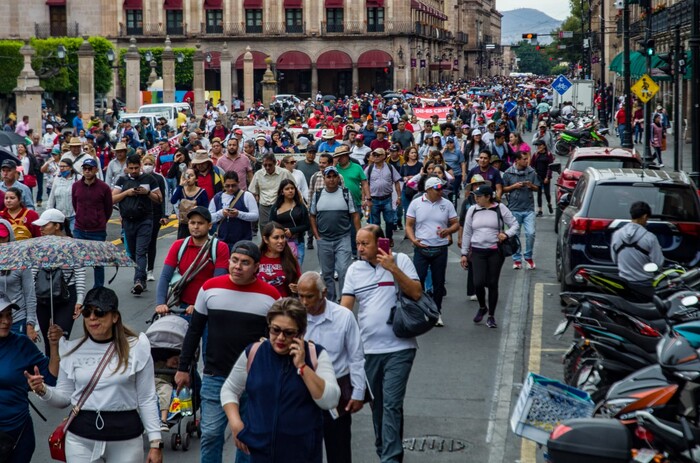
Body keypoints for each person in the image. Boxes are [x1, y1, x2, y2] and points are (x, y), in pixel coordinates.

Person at [27, 287, 163, 463]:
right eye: (87, 312)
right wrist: (42, 390)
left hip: (126, 438)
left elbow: (147, 398)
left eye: (99, 312)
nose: (92, 317)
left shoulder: (137, 348)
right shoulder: (71, 350)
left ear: (115, 317)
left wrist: (155, 442)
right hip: (81, 438)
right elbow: (63, 398)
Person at [175, 241, 280, 463]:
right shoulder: (210, 288)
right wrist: (183, 368)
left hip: (255, 379)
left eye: (245, 263)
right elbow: (194, 331)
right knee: (211, 435)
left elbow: (278, 338)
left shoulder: (271, 297)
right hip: (216, 376)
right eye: (234, 260)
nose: (237, 266)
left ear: (257, 268)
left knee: (247, 439)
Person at [221, 298, 341, 463]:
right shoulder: (254, 353)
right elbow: (229, 390)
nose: (280, 338)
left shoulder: (316, 355)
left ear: (301, 333)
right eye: (275, 330)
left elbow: (330, 400)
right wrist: (235, 423)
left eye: (289, 332)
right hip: (259, 453)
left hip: (302, 454)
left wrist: (302, 367)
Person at [341, 224, 422, 463]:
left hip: (400, 348)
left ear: (380, 243)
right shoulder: (354, 269)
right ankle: (385, 449)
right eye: (357, 243)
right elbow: (346, 309)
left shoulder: (401, 260)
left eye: (365, 243)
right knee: (378, 407)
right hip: (368, 351)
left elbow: (416, 293)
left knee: (392, 404)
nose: (360, 248)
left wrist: (392, 269)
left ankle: (390, 458)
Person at [297, 271, 366, 463]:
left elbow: (356, 356)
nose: (303, 302)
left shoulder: (343, 317)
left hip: (336, 391)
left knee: (339, 449)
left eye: (309, 296)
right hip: (302, 390)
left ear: (323, 293)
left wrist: (358, 393)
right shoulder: (295, 317)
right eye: (300, 296)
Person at [1, 297, 61, 463]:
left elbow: (50, 377)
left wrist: (54, 346)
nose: (6, 321)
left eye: (9, 315)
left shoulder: (21, 344)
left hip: (17, 433)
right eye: (0, 316)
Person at [460, 185, 519, 328]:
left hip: (495, 252)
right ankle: (482, 307)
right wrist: (464, 253)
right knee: (478, 283)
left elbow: (515, 225)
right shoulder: (472, 210)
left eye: (479, 196)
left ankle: (491, 316)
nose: (476, 198)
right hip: (477, 251)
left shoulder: (500, 208)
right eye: (475, 196)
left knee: (492, 283)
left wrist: (506, 234)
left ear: (488, 197)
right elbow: (467, 232)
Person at [155, 206, 230, 316]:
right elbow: (165, 276)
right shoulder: (178, 245)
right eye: (192, 223)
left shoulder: (220, 247)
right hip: (184, 308)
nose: (195, 226)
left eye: (200, 223)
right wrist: (161, 303)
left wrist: (200, 305)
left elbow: (217, 282)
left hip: (210, 306)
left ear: (209, 226)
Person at [405, 176, 459, 327]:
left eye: (442, 188)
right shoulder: (416, 203)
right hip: (421, 248)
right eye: (438, 188)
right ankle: (419, 310)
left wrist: (448, 230)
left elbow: (456, 223)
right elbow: (408, 225)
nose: (441, 191)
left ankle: (437, 312)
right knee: (418, 281)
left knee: (439, 283)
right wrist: (413, 239)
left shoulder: (447, 204)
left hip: (440, 248)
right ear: (428, 189)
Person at [31, 208, 86, 354]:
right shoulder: (38, 246)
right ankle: (51, 374)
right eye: (40, 226)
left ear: (57, 226)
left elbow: (79, 273)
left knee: (60, 339)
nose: (41, 228)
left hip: (66, 296)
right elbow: (33, 273)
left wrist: (80, 300)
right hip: (42, 295)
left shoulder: (73, 245)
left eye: (45, 225)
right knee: (49, 341)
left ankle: (62, 373)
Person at [112, 154, 163, 295]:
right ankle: (142, 277)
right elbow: (112, 199)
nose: (134, 171)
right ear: (127, 168)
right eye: (131, 168)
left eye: (136, 168)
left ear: (140, 166)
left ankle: (138, 280)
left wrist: (147, 193)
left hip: (145, 220)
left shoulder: (149, 179)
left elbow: (159, 199)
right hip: (128, 221)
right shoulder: (122, 180)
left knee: (141, 251)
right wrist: (127, 193)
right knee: (133, 253)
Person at [309, 166, 361, 302]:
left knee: (343, 270)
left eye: (334, 176)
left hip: (343, 238)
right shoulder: (318, 194)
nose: (331, 179)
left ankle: (344, 299)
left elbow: (355, 215)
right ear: (324, 178)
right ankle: (330, 301)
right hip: (324, 239)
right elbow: (312, 216)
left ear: (338, 178)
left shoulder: (345, 193)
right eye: (329, 176)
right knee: (327, 274)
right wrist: (316, 235)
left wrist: (358, 236)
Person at [610, 201, 665, 302]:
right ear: (644, 216)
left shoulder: (617, 234)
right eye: (647, 218)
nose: (647, 221)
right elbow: (658, 264)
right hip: (645, 286)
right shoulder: (650, 238)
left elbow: (615, 260)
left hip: (623, 284)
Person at [72, 158, 113, 288]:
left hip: (97, 231)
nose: (87, 171)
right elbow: (75, 204)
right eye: (85, 169)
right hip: (79, 229)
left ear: (96, 170)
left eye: (90, 169)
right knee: (78, 262)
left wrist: (99, 221)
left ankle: (98, 289)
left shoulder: (104, 188)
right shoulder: (76, 186)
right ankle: (77, 289)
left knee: (98, 262)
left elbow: (108, 208)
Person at [502, 151, 540, 270]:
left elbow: (537, 188)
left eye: (526, 159)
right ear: (517, 160)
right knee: (515, 235)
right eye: (523, 159)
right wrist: (514, 187)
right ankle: (517, 259)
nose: (526, 161)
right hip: (514, 208)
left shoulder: (531, 172)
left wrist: (530, 185)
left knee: (531, 233)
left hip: (529, 209)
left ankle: (528, 256)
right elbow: (503, 189)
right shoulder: (508, 173)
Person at [210, 171, 259, 250]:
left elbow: (255, 216)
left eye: (233, 185)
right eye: (227, 186)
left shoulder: (247, 196)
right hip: (222, 241)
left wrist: (238, 214)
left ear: (238, 182)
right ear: (223, 184)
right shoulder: (217, 197)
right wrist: (221, 213)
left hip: (243, 241)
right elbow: (209, 218)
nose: (230, 188)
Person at [365, 148, 402, 247]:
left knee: (389, 221)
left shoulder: (390, 167)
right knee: (376, 223)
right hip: (374, 199)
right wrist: (365, 199)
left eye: (378, 155)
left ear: (384, 156)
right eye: (374, 155)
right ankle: (378, 240)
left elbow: (397, 182)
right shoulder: (369, 168)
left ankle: (389, 238)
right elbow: (365, 184)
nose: (376, 157)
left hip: (387, 199)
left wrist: (399, 197)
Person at [248, 153, 294, 231]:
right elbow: (253, 190)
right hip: (264, 206)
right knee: (265, 229)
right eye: (265, 165)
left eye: (270, 165)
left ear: (275, 163)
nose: (267, 167)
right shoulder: (258, 174)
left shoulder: (284, 173)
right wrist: (257, 197)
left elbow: (294, 187)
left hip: (281, 205)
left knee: (280, 228)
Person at [269, 179, 310, 266]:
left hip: (297, 242)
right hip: (280, 243)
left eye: (292, 188)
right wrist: (282, 232)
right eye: (287, 189)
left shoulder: (301, 207)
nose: (290, 191)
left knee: (296, 269)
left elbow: (307, 225)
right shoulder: (275, 208)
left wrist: (292, 230)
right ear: (282, 192)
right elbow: (271, 225)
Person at [142, 155, 169, 282]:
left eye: (149, 163)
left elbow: (163, 197)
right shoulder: (139, 178)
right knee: (140, 244)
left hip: (155, 214)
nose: (147, 166)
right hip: (140, 214)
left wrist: (164, 215)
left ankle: (150, 270)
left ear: (153, 165)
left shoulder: (159, 178)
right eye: (145, 163)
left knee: (152, 242)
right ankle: (141, 268)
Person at [258, 222, 302, 297]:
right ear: (265, 239)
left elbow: (300, 281)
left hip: (283, 305)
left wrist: (297, 288)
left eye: (283, 237)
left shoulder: (290, 258)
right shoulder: (257, 257)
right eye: (276, 237)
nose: (281, 241)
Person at [171, 167, 209, 239]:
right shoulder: (181, 190)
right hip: (183, 225)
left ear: (196, 179)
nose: (188, 177)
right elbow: (173, 200)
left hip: (197, 225)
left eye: (191, 175)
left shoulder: (202, 192)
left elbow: (206, 209)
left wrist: (198, 209)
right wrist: (180, 185)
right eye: (186, 175)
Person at [47, 157, 77, 234]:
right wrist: (48, 213)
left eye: (64, 166)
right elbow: (52, 197)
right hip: (60, 217)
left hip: (74, 216)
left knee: (74, 236)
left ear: (70, 168)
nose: (61, 168)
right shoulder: (57, 179)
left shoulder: (77, 179)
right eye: (60, 166)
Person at [530, 139, 555, 217]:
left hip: (546, 176)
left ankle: (549, 204)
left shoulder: (548, 154)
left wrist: (548, 177)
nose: (538, 147)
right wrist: (535, 173)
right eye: (537, 146)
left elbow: (550, 167)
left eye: (540, 145)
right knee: (539, 193)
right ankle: (540, 210)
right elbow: (532, 165)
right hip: (538, 176)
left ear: (544, 146)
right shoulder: (535, 155)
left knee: (547, 193)